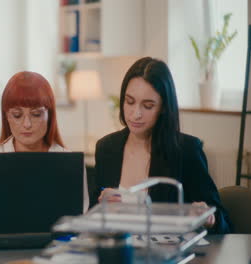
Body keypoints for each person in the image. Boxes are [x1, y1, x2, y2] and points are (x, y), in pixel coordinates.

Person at [89, 57, 231, 234]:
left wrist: (208, 218)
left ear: (163, 108)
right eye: (129, 101)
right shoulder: (106, 148)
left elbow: (223, 222)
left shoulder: (186, 151)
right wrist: (102, 209)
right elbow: (92, 217)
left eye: (148, 106)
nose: (136, 114)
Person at [0, 71, 89, 212]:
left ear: (50, 115)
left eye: (36, 114)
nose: (27, 124)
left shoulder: (68, 162)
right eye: (17, 115)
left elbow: (78, 219)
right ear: (7, 117)